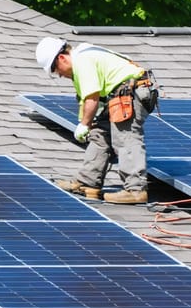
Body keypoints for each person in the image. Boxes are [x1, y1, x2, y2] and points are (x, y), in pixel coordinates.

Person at [35, 37, 157, 204]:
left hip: (131, 91)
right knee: (100, 134)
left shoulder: (83, 61)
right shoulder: (81, 63)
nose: (60, 75)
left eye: (56, 70)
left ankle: (135, 190)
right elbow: (87, 101)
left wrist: (84, 124)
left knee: (125, 137)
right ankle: (87, 182)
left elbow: (92, 98)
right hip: (118, 94)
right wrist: (86, 124)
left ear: (62, 58)